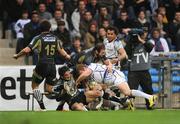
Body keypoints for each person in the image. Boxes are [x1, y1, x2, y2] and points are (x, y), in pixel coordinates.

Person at [13, 20, 70, 110]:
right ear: (50, 28)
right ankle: (61, 87)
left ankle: (42, 108)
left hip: (42, 63)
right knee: (49, 89)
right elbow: (63, 53)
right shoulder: (55, 38)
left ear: (40, 28)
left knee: (35, 86)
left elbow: (26, 50)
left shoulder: (38, 38)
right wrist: (68, 57)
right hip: (52, 65)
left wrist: (17, 55)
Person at [75, 63, 157, 109]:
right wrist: (106, 90)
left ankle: (150, 97)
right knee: (126, 93)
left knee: (127, 92)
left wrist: (77, 81)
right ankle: (125, 102)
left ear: (84, 68)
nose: (81, 75)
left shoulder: (91, 66)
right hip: (110, 82)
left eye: (80, 72)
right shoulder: (91, 78)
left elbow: (86, 73)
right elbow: (101, 86)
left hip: (115, 76)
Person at [124, 29, 155, 109]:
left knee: (148, 89)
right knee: (131, 89)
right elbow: (126, 52)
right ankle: (131, 105)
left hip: (144, 70)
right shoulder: (130, 45)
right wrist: (129, 40)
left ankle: (150, 104)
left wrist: (141, 40)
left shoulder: (146, 43)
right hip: (133, 71)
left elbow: (151, 47)